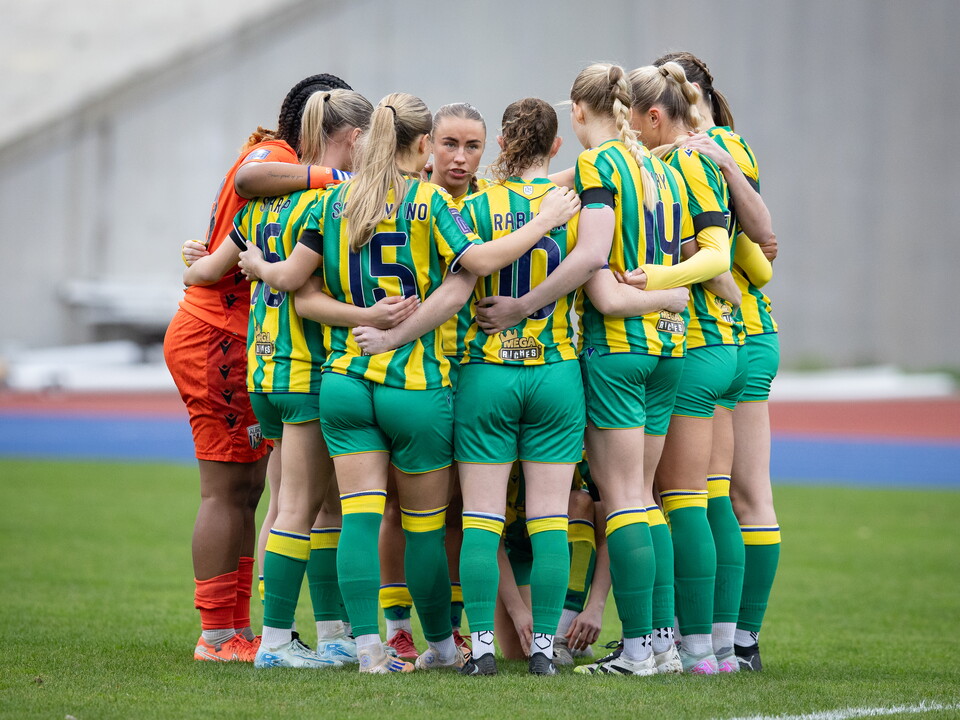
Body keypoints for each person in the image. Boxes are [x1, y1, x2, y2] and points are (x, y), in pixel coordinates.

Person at [240, 92, 580, 673]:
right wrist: (547, 220)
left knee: (357, 516)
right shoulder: (428, 201)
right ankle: (444, 648)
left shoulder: (334, 200)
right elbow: (475, 265)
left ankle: (364, 647)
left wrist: (360, 317)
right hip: (416, 386)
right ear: (423, 145)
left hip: (345, 379)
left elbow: (304, 294)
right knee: (426, 530)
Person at [183, 89, 387, 668]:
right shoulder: (329, 203)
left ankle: (325, 633)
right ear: (351, 138)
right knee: (304, 508)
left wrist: (196, 254)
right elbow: (305, 287)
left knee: (299, 504)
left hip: (263, 368)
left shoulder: (257, 209)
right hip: (307, 370)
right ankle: (280, 641)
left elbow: (203, 272)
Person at [655, 50, 781, 672]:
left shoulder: (721, 146)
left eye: (692, 96)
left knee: (734, 494)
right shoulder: (668, 156)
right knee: (709, 495)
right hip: (724, 329)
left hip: (731, 335)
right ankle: (716, 636)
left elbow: (763, 243)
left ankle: (732, 637)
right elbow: (758, 252)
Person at [628, 60, 748, 674]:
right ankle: (724, 647)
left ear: (655, 115)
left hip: (693, 345)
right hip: (729, 345)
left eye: (634, 120)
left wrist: (655, 278)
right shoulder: (713, 151)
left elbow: (717, 255)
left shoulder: (679, 162)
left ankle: (687, 645)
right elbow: (758, 259)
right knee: (711, 499)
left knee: (676, 500)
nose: (631, 133)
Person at [378, 102, 489, 660]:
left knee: (458, 511)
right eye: (450, 144)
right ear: (427, 144)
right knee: (399, 506)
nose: (461, 158)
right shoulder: (407, 200)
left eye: (472, 147)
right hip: (408, 376)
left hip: (471, 374)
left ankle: (448, 629)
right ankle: (398, 627)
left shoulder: (490, 201)